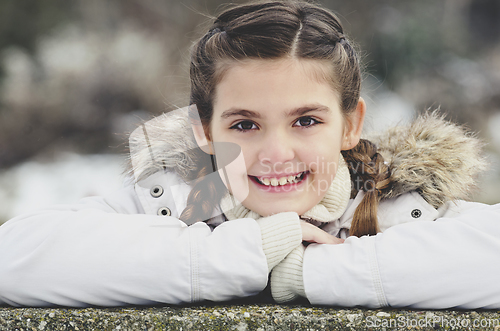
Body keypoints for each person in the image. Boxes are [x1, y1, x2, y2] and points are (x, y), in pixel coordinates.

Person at [1, 0, 499, 308]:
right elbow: (15, 258)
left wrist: (307, 272)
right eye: (244, 125)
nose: (276, 152)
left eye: (306, 120)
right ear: (202, 130)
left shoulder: (397, 206)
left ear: (350, 124)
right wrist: (249, 252)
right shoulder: (177, 201)